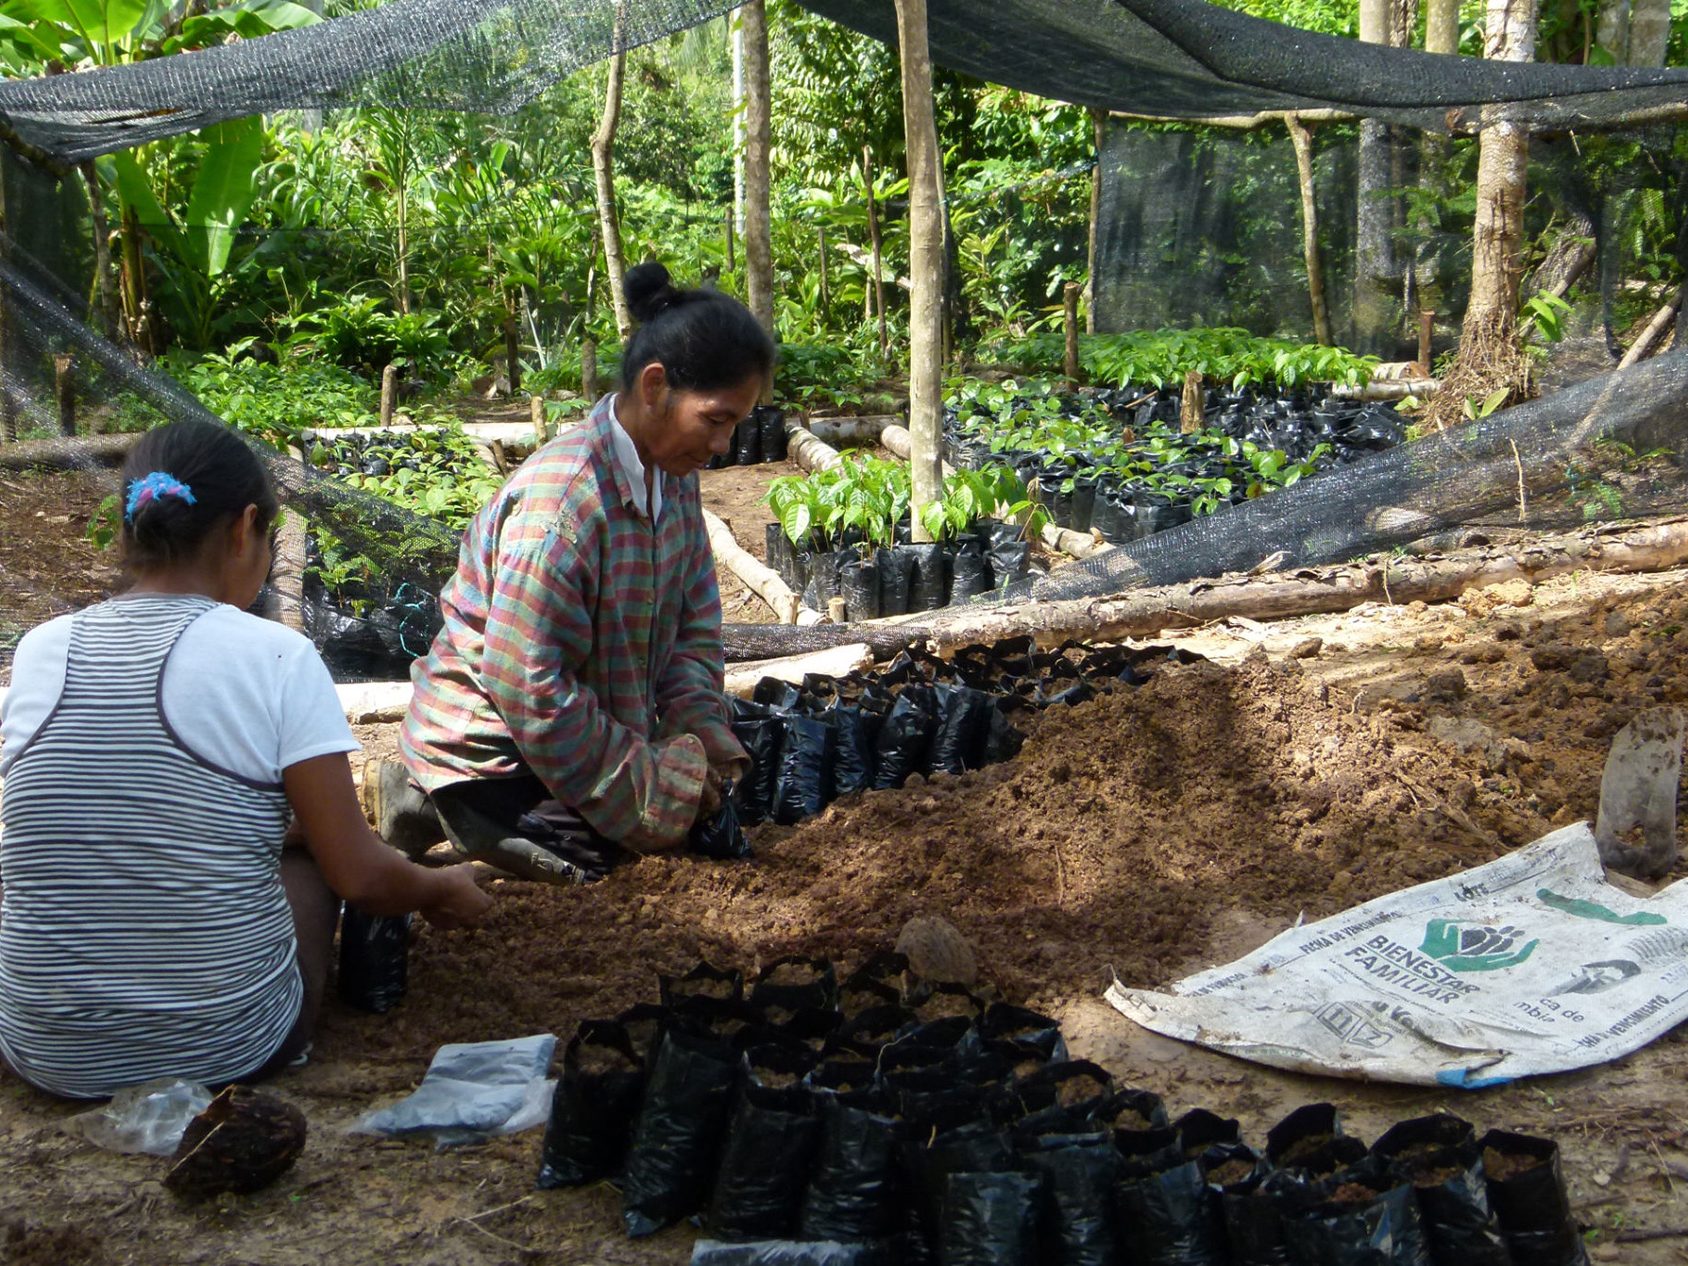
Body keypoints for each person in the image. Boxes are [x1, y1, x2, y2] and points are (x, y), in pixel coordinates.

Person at [0, 420, 490, 1099]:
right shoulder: (275, 655)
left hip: (46, 1053)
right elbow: (361, 878)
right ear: (246, 528)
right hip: (224, 1048)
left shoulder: (41, 650)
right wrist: (439, 888)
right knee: (315, 851)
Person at [383, 262, 773, 884]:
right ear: (654, 387)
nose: (725, 444)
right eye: (717, 418)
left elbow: (694, 631)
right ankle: (428, 797)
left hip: (564, 739)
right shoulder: (563, 507)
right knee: (612, 868)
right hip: (494, 751)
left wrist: (702, 729)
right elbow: (528, 689)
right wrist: (649, 785)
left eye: (737, 423)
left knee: (679, 833)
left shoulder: (674, 484)